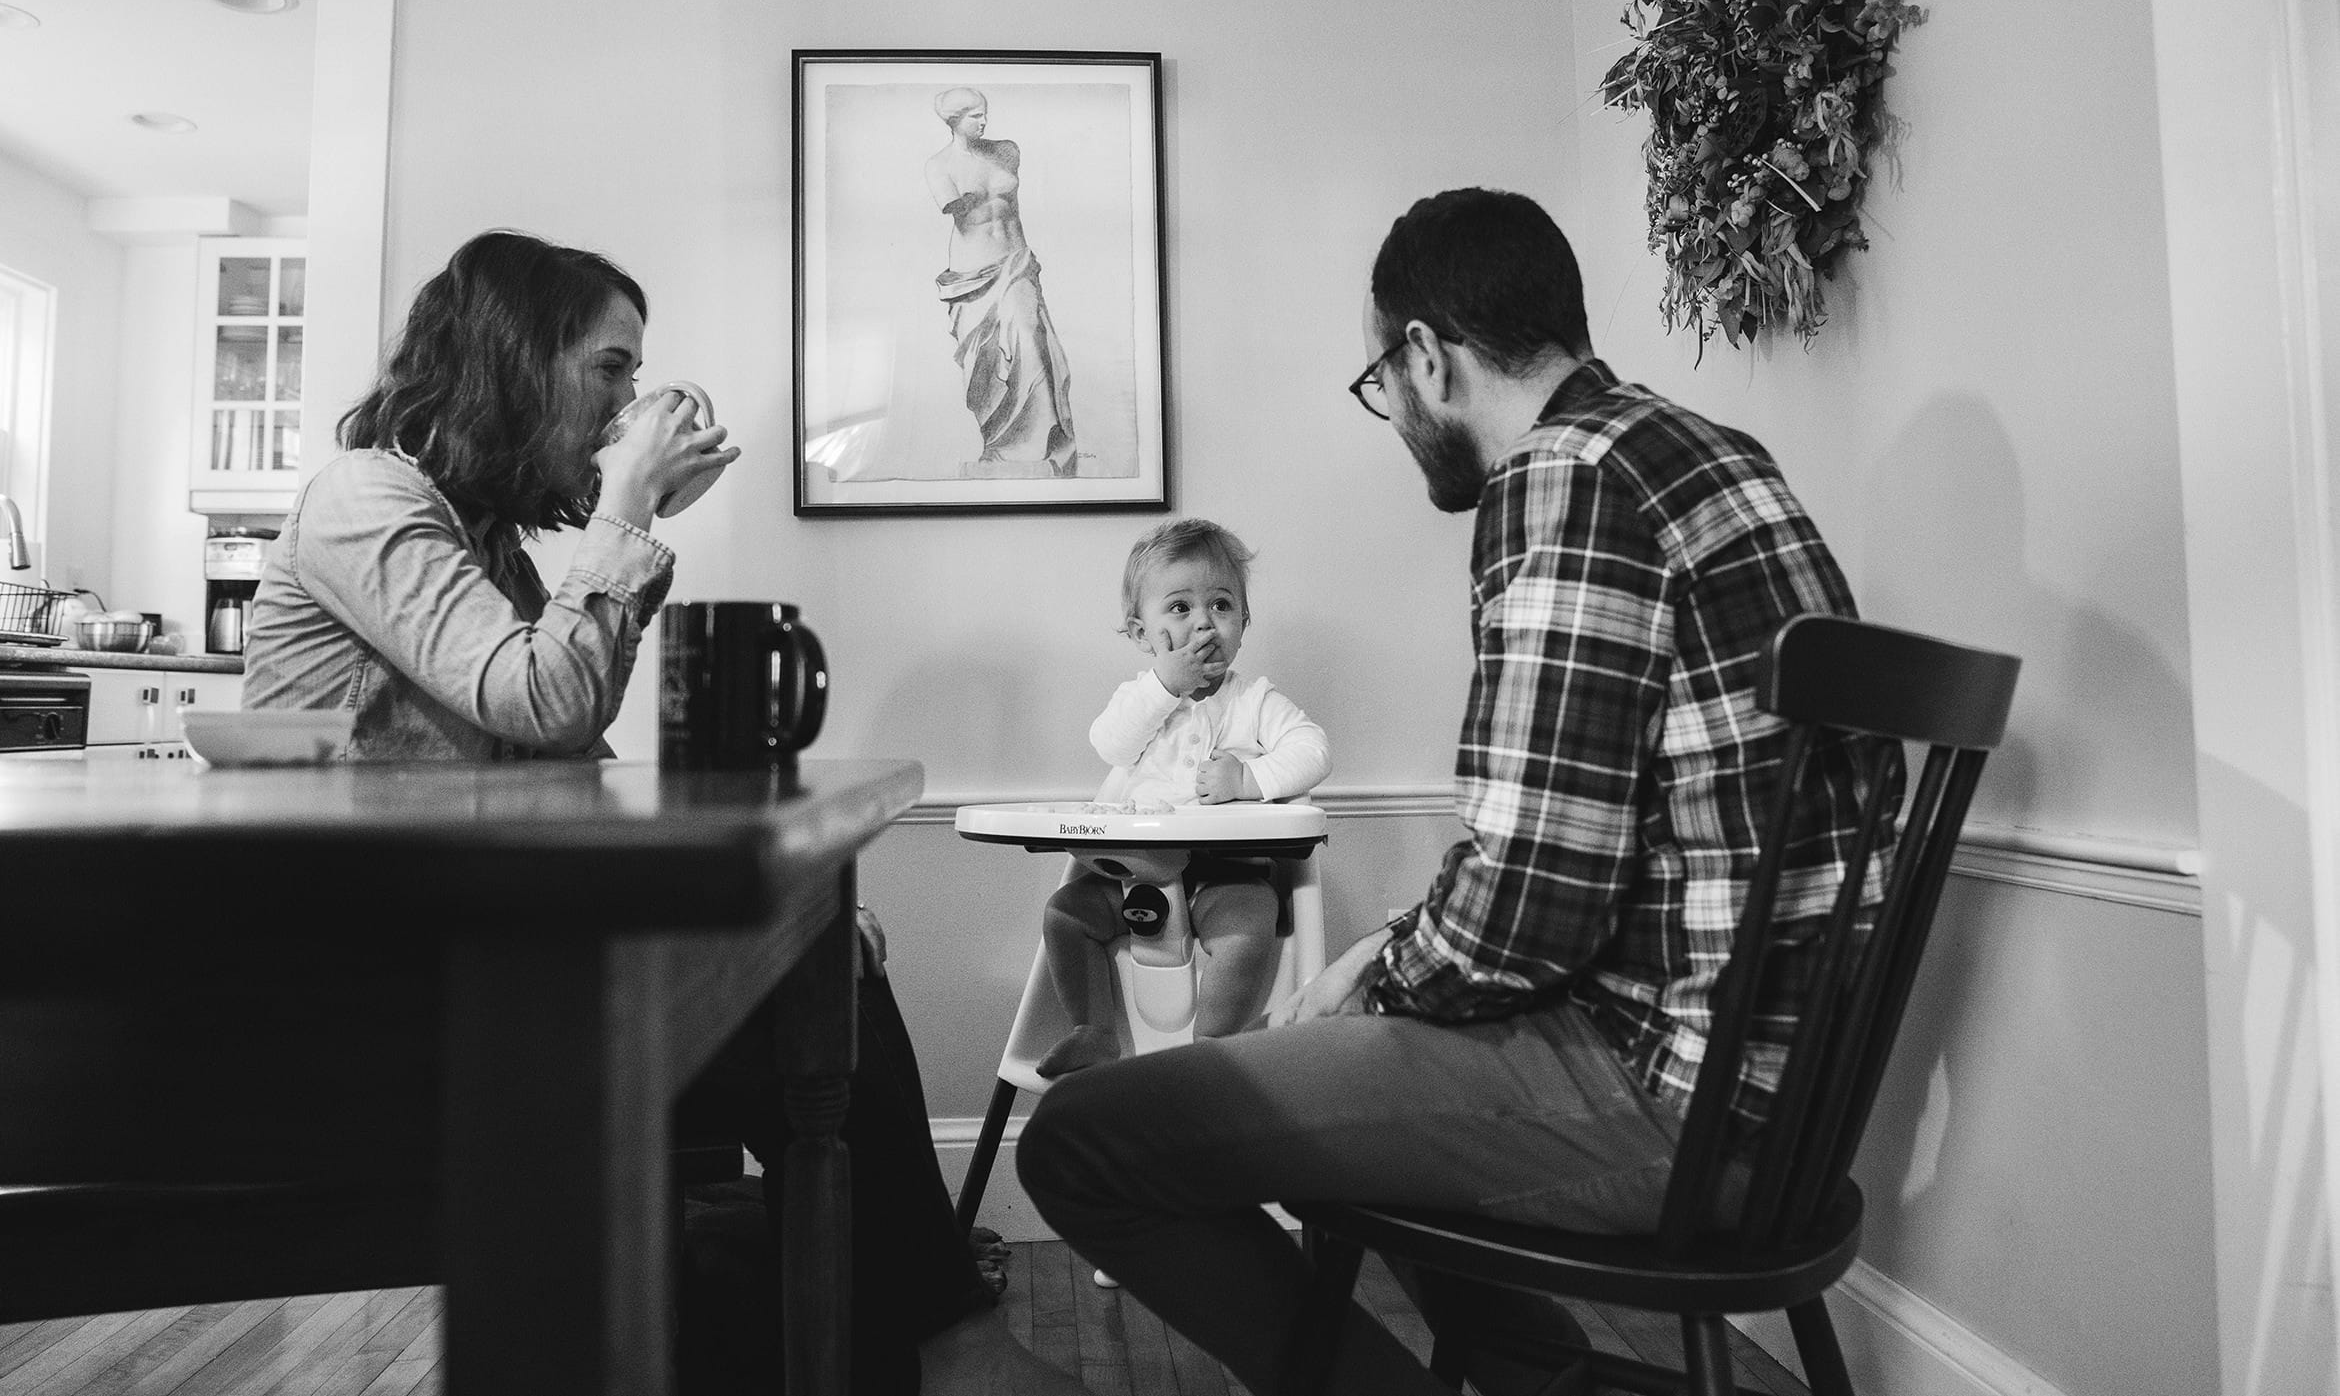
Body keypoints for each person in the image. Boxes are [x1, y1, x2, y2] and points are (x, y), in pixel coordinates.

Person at [1017, 188, 1895, 1394]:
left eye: (1383, 382)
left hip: (1673, 1108)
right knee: (1360, 1047)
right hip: (1789, 1099)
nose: (1393, 414)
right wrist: (1390, 962)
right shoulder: (1713, 454)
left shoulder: (1564, 480)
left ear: (1426, 354)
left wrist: (1371, 977)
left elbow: (1531, 907)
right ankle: (1549, 1381)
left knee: (1078, 1142)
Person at [242, 230, 1085, 1396]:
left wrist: (782, 917)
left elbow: (571, 764)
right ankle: (937, 1347)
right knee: (810, 1012)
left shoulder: (487, 550)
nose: (629, 401)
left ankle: (904, 1344)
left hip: (481, 964)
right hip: (374, 998)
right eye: (610, 368)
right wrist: (630, 509)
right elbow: (539, 696)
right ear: (515, 357)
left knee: (824, 974)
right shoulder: (362, 497)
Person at [1034, 518, 1331, 1077]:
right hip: (1131, 878)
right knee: (1064, 916)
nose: (1202, 623)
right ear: (1141, 634)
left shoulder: (1256, 702)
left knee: (1251, 924)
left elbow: (1314, 751)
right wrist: (1164, 686)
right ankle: (1092, 1029)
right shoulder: (1139, 700)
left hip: (1227, 876)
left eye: (1220, 605)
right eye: (1179, 608)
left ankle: (1212, 1046)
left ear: (1244, 622)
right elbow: (1110, 745)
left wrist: (1248, 780)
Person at [925, 86, 1078, 478]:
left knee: (1030, 338)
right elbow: (951, 206)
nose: (984, 121)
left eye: (985, 113)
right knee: (985, 361)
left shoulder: (1007, 150)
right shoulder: (939, 165)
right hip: (972, 274)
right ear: (954, 120)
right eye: (975, 115)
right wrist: (968, 197)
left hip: (1016, 263)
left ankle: (1039, 446)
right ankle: (999, 447)